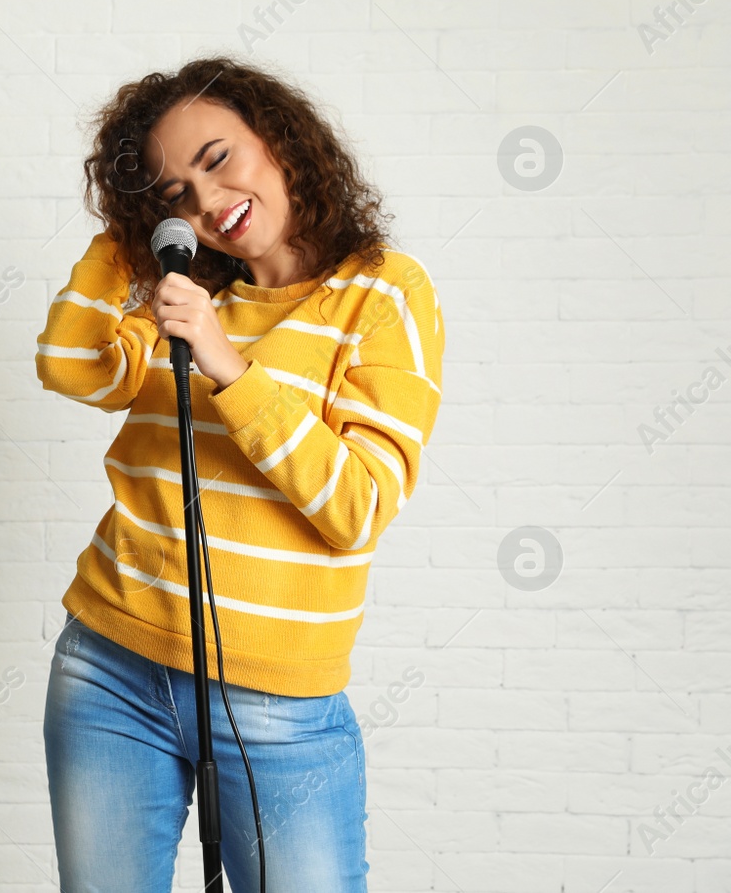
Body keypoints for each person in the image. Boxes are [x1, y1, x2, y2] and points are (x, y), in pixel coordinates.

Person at [34, 56, 444, 893]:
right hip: (109, 666)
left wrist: (227, 363)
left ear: (282, 140)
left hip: (276, 705)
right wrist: (131, 237)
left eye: (216, 158)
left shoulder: (381, 295)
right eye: (174, 192)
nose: (207, 199)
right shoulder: (182, 296)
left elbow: (359, 505)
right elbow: (71, 366)